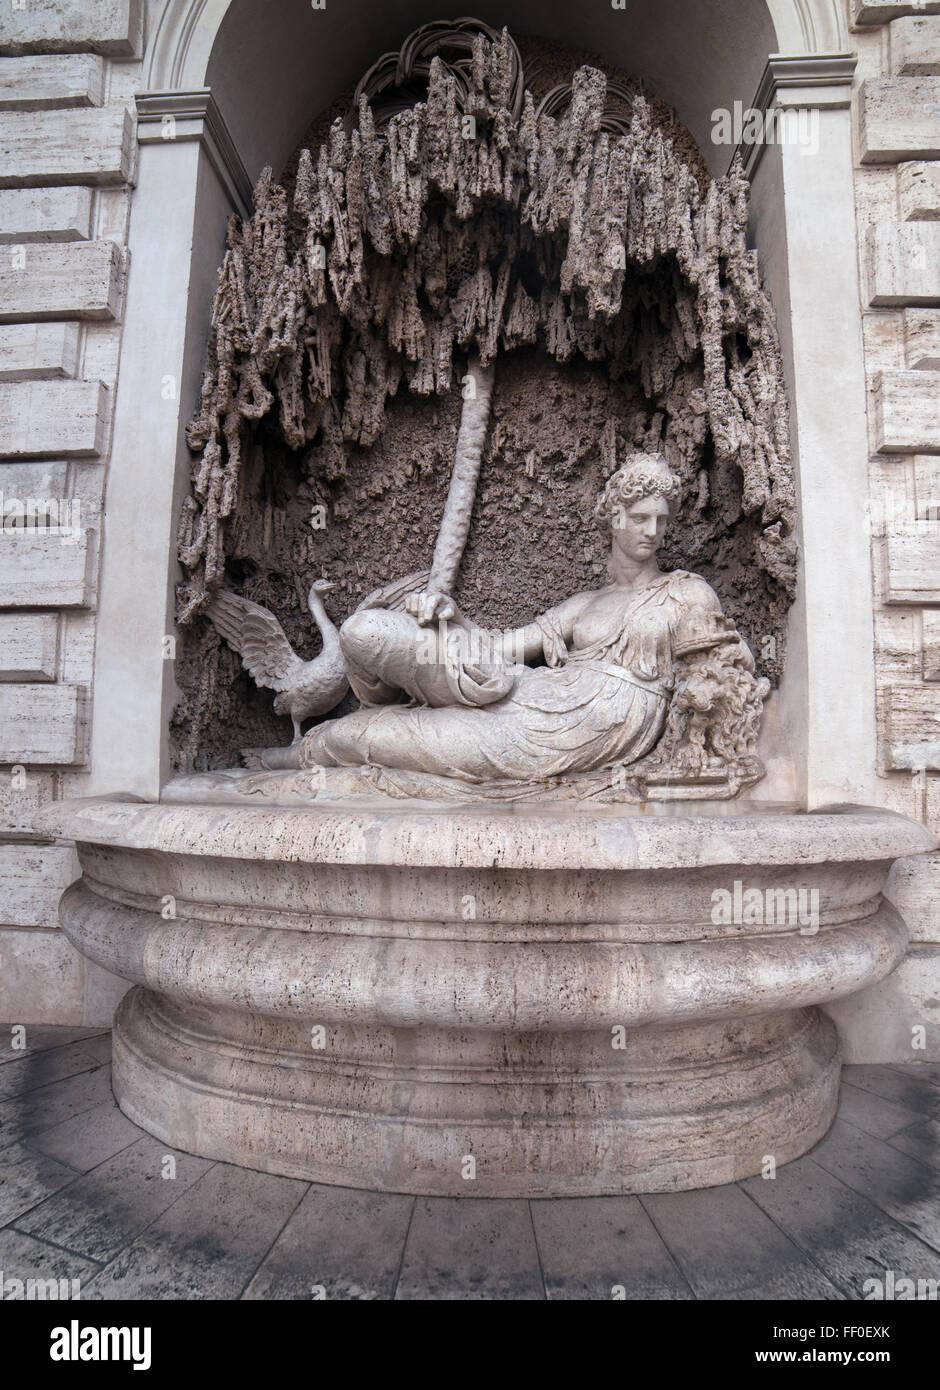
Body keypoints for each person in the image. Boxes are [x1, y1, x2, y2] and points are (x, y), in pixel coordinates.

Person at [297, 451, 746, 783]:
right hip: (532, 694)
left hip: (579, 731)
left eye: (661, 520)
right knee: (364, 631)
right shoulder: (583, 604)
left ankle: (298, 755)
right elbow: (500, 649)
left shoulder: (688, 591)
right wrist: (455, 620)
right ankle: (301, 748)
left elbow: (723, 669)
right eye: (640, 517)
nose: (652, 531)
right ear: (614, 519)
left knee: (372, 736)